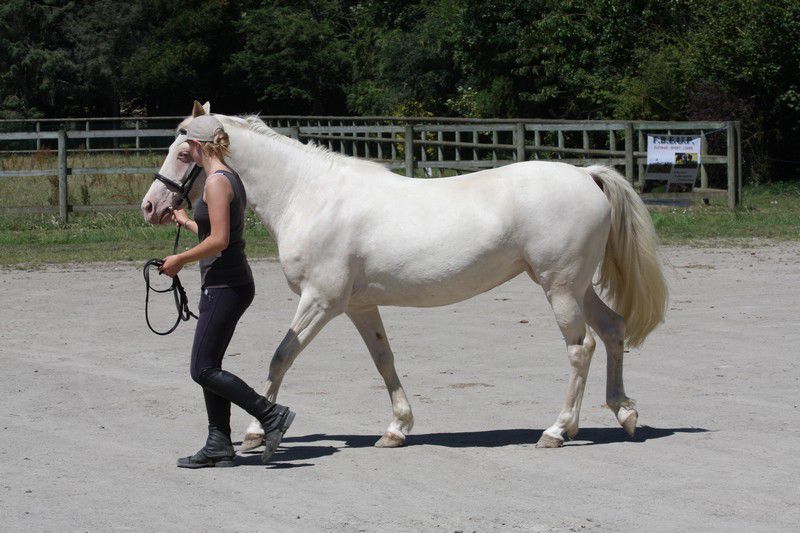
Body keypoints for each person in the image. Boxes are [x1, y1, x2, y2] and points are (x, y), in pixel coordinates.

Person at [159, 114, 295, 468]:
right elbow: (218, 232)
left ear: (198, 146)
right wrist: (187, 221)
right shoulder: (228, 176)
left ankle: (270, 414)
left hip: (225, 285)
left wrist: (179, 260)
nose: (187, 151)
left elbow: (219, 240)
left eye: (188, 146)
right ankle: (218, 442)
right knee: (211, 364)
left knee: (201, 369)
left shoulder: (217, 182)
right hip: (227, 282)